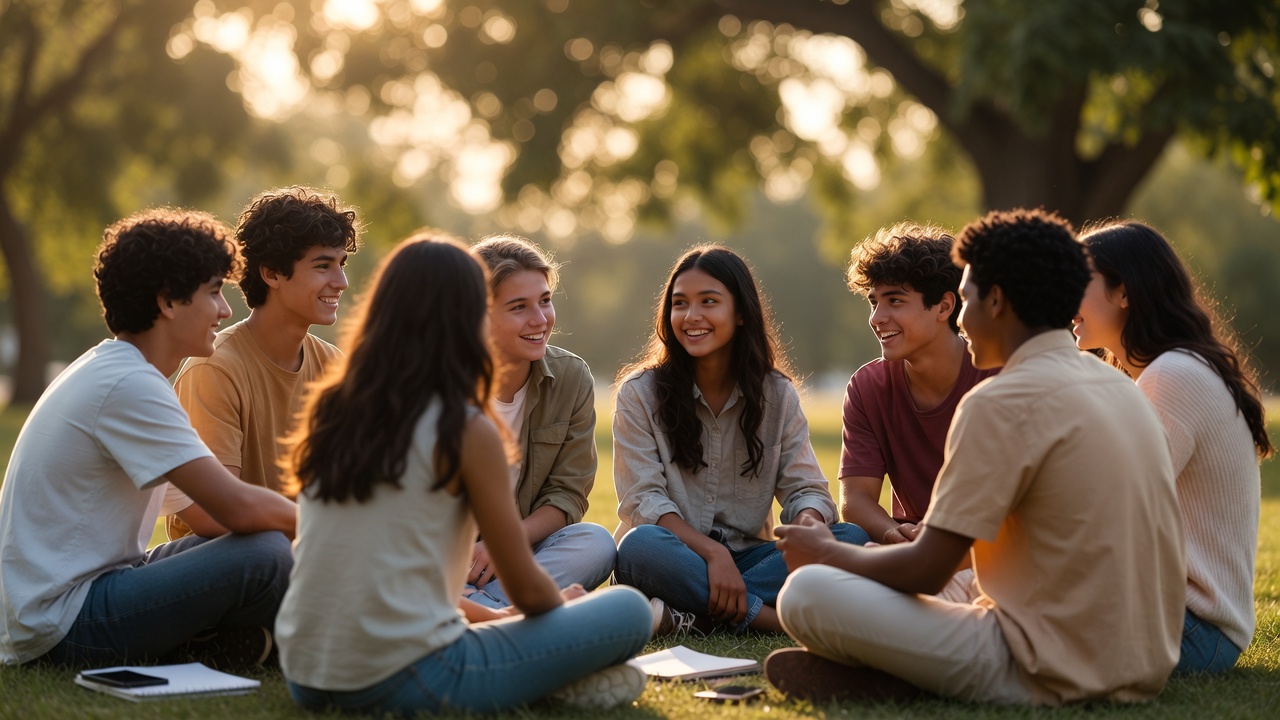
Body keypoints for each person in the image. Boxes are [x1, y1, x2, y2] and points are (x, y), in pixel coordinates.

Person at [766, 208, 1185, 705]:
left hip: (1050, 665)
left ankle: (913, 678)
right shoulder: (1121, 388)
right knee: (898, 576)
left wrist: (824, 553)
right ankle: (902, 673)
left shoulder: (998, 400)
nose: (963, 320)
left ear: (996, 301)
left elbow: (928, 570)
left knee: (807, 593)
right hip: (1146, 663)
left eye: (964, 300)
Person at [274, 232, 652, 715]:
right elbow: (528, 591)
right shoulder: (465, 427)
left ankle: (536, 672)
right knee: (629, 610)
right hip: (407, 678)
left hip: (306, 675)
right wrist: (568, 611)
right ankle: (551, 677)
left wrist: (494, 617)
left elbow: (399, 575)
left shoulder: (335, 408)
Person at [0, 208, 296, 668]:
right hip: (60, 624)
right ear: (169, 302)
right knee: (266, 555)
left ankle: (223, 642)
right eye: (214, 291)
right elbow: (236, 506)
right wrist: (340, 530)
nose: (225, 310)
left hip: (89, 590)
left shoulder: (119, 370)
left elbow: (218, 520)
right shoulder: (127, 385)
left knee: (257, 548)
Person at [612, 245, 869, 637]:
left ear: (742, 313)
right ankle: (773, 620)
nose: (691, 316)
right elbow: (643, 501)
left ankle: (696, 617)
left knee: (851, 539)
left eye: (709, 302)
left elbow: (807, 488)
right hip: (675, 555)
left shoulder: (777, 394)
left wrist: (808, 526)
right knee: (639, 546)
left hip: (753, 559)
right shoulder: (640, 394)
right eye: (680, 304)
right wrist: (713, 553)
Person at [1075, 220, 1272, 674]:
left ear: (1123, 292)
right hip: (1184, 618)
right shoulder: (1171, 369)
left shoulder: (1173, 375)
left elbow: (1108, 506)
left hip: (1195, 629)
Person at [168, 186, 361, 539]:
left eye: (341, 265)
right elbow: (215, 518)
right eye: (323, 266)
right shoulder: (215, 369)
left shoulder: (335, 367)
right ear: (271, 273)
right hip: (238, 568)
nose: (341, 282)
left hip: (310, 555)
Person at [462, 236, 615, 608]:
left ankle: (486, 611)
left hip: (524, 550)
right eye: (519, 307)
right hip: (450, 555)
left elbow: (567, 494)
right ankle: (502, 609)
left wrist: (504, 544)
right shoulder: (436, 384)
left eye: (545, 301)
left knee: (595, 542)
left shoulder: (572, 377)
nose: (540, 320)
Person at [840, 222, 997, 544]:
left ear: (944, 306)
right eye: (873, 302)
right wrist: (893, 534)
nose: (876, 318)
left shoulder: (998, 376)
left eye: (895, 301)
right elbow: (855, 499)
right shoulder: (868, 387)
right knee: (841, 541)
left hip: (987, 550)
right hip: (909, 546)